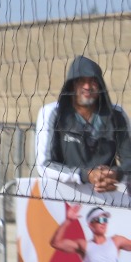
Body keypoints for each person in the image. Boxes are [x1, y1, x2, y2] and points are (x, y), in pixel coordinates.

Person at [35, 55, 131, 207]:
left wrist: (115, 175)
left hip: (107, 199)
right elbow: (44, 165)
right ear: (72, 85)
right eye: (81, 81)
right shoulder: (52, 113)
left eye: (93, 81)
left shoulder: (117, 115)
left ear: (100, 85)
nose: (87, 86)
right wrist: (85, 175)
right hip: (63, 199)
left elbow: (129, 160)